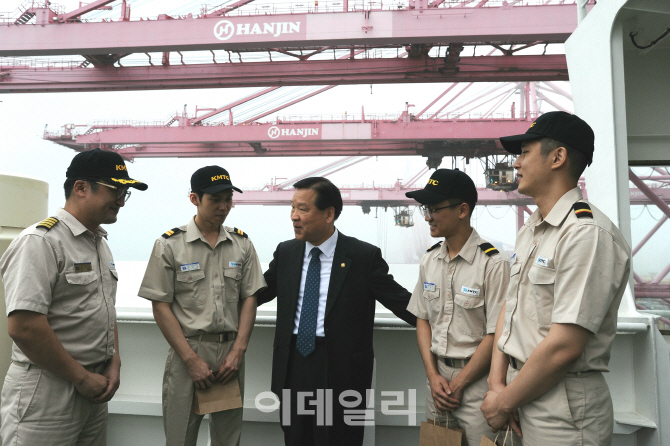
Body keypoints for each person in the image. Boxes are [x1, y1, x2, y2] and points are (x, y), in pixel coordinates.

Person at [481, 111, 631, 445]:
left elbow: (565, 346)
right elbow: (511, 307)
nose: (516, 164)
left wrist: (503, 401)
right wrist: (498, 385)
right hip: (524, 390)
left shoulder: (586, 233)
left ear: (557, 157)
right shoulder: (532, 229)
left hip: (563, 407)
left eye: (524, 152)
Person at [0, 148, 148, 446]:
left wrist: (114, 362)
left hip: (94, 387)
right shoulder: (41, 242)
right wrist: (81, 377)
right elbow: (24, 327)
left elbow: (105, 308)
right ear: (80, 188)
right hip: (48, 390)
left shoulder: (98, 243)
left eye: (125, 193)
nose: (121, 200)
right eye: (115, 190)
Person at [257, 177, 416, 446]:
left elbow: (404, 304)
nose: (294, 216)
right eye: (292, 208)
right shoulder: (286, 252)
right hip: (294, 365)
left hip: (341, 370)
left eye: (303, 209)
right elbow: (256, 294)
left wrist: (450, 327)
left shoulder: (362, 256)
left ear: (329, 213)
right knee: (296, 439)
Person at [138, 166, 266, 446]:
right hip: (189, 351)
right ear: (194, 199)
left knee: (228, 439)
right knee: (180, 436)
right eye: (215, 200)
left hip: (230, 354)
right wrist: (190, 360)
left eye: (228, 199)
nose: (223, 207)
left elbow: (250, 299)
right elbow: (160, 306)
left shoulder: (242, 244)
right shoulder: (169, 244)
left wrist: (238, 352)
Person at [405, 169, 514, 446]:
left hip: (479, 383)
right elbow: (422, 320)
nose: (428, 216)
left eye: (435, 209)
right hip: (438, 382)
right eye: (425, 209)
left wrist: (461, 383)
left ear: (463, 210)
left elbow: (497, 333)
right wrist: (433, 376)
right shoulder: (429, 260)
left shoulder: (493, 263)